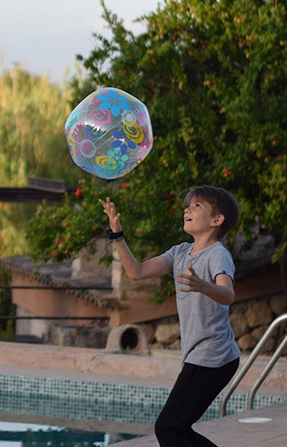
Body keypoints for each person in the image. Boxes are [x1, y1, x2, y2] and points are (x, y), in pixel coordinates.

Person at [99, 186, 241, 447]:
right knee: (177, 428)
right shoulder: (180, 252)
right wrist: (117, 235)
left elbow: (227, 294)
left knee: (168, 428)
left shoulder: (218, 254)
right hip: (202, 356)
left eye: (197, 206)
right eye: (189, 205)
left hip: (214, 356)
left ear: (216, 220)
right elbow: (137, 272)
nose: (188, 209)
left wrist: (203, 286)